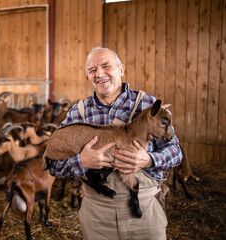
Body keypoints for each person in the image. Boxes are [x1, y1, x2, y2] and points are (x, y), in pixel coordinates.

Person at [46, 47, 183, 240]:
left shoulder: (149, 106)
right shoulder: (78, 113)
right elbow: (52, 165)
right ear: (88, 78)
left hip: (144, 210)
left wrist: (149, 159)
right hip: (97, 215)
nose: (99, 74)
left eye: (106, 66)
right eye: (92, 70)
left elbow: (176, 151)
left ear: (121, 69)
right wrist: (81, 162)